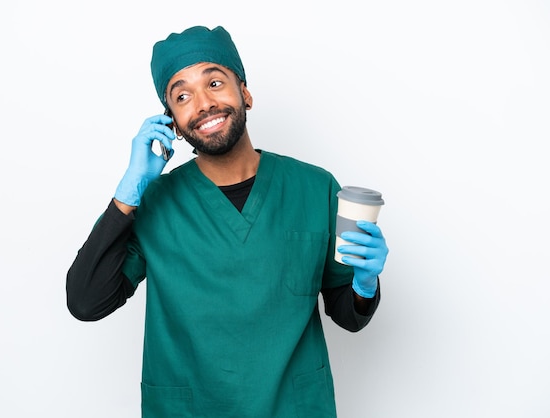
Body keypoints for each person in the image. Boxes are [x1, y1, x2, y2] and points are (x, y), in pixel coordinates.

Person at [66, 25, 389, 417]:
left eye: (215, 82)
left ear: (245, 93)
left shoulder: (315, 188)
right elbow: (86, 302)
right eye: (182, 95)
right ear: (173, 121)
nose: (202, 103)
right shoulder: (154, 203)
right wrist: (127, 192)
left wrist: (364, 283)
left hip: (293, 407)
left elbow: (346, 312)